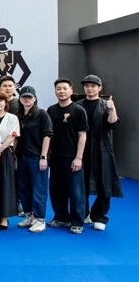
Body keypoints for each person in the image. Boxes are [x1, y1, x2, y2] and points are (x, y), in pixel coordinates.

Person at [76, 75, 123, 231]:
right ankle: (83, 213)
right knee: (80, 183)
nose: (90, 89)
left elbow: (113, 124)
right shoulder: (78, 105)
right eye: (87, 86)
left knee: (105, 182)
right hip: (82, 149)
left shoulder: (106, 104)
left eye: (93, 86)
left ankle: (99, 216)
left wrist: (112, 109)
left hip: (102, 149)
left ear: (99, 88)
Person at [47, 78, 88, 235]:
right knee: (56, 189)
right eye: (58, 89)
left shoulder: (78, 110)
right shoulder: (51, 110)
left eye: (64, 88)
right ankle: (61, 217)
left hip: (72, 157)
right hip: (55, 157)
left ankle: (77, 221)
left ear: (71, 90)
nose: (61, 91)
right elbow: (48, 135)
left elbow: (82, 135)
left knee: (76, 191)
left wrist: (78, 158)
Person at [15, 86, 53, 233]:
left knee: (39, 188)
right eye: (24, 97)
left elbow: (47, 136)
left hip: (36, 158)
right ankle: (29, 215)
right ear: (20, 99)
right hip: (21, 157)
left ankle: (40, 219)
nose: (26, 99)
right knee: (23, 188)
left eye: (29, 97)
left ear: (35, 98)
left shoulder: (42, 114)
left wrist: (43, 157)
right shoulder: (18, 116)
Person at [0, 89, 20, 230]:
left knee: (5, 184)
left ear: (6, 102)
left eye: (1, 100)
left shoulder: (12, 117)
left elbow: (12, 135)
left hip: (5, 153)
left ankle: (4, 217)